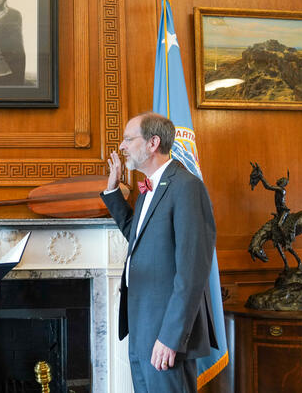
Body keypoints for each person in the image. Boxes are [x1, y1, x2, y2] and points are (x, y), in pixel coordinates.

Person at [101, 113, 218, 393]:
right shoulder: (148, 188)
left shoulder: (187, 187)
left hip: (166, 330)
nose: (123, 146)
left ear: (153, 143)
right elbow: (137, 237)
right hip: (141, 325)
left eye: (129, 139)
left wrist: (171, 336)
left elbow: (192, 272)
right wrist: (112, 190)